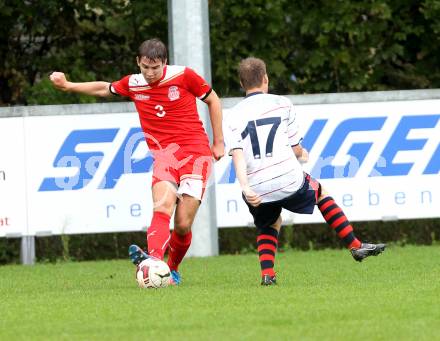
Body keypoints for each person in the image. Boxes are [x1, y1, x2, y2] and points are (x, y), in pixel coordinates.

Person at [50, 38, 224, 285]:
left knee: (183, 224)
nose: (150, 73)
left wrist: (218, 141)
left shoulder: (184, 76)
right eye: (145, 67)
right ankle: (154, 260)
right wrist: (68, 85)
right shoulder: (134, 83)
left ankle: (171, 268)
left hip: (195, 156)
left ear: (165, 62)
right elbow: (104, 88)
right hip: (165, 157)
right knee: (162, 207)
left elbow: (213, 99)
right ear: (138, 63)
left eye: (155, 68)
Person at [224, 57, 385, 286]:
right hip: (288, 178)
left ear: (242, 83)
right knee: (319, 191)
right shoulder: (282, 103)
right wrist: (303, 154)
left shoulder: (232, 115)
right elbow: (295, 148)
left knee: (269, 223)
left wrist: (245, 187)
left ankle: (267, 274)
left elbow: (238, 155)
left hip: (257, 186)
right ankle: (355, 245)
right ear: (265, 79)